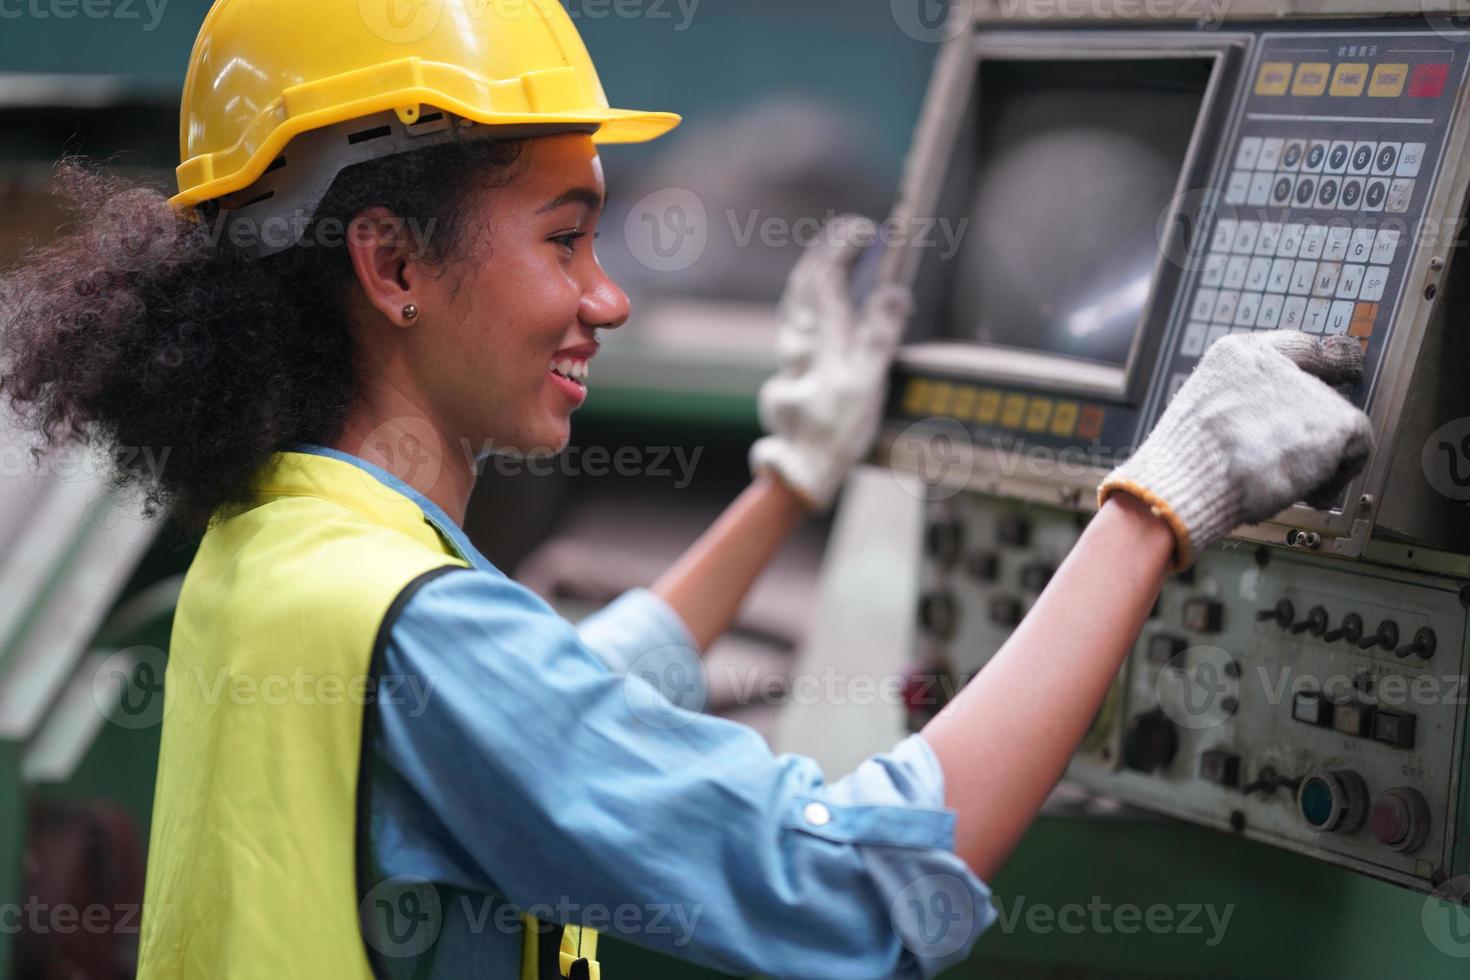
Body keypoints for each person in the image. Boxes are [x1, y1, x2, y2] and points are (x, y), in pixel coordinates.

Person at [0, 1, 1374, 977]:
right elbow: (849, 896)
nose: (608, 293)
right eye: (566, 235)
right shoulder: (411, 624)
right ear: (393, 265)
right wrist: (1156, 507)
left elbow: (557, 708)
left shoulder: (276, 547)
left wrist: (786, 480)